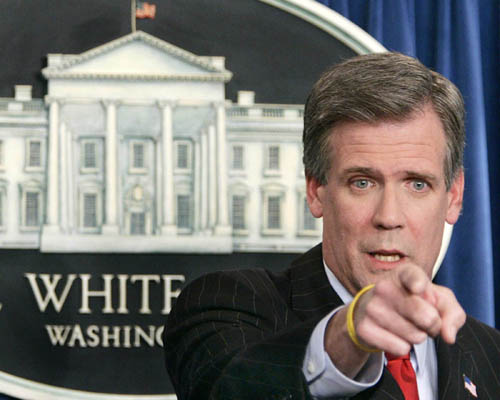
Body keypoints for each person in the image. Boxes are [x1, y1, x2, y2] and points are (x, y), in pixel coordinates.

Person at [164, 52, 500, 399]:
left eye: (417, 184)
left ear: (454, 196)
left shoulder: (492, 356)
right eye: (362, 182)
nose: (389, 217)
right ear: (315, 192)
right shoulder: (225, 307)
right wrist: (348, 336)